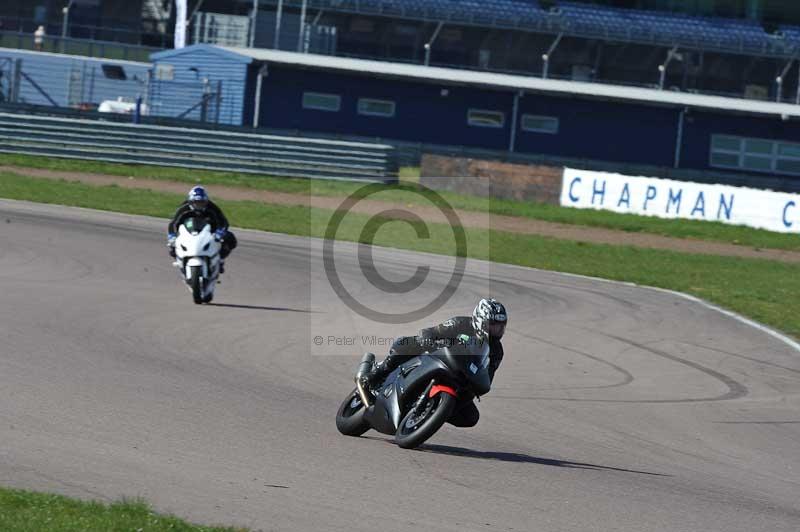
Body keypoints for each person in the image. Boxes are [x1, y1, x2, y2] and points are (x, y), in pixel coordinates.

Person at [363, 298, 508, 428]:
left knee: (471, 418)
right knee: (406, 343)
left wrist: (479, 386)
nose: (498, 330)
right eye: (494, 325)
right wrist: (430, 342)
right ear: (480, 320)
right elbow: (430, 332)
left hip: (460, 376)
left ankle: (433, 412)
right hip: (435, 357)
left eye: (501, 326)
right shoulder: (461, 323)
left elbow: (488, 375)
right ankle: (377, 373)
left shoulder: (497, 351)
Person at [167, 186, 237, 272]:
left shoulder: (212, 208)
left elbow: (223, 222)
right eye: (196, 202)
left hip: (209, 232)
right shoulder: (184, 209)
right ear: (190, 202)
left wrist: (219, 232)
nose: (199, 205)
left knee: (230, 238)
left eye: (201, 203)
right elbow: (173, 223)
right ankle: (179, 259)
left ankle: (220, 260)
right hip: (188, 232)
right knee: (172, 247)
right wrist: (172, 236)